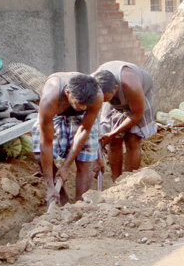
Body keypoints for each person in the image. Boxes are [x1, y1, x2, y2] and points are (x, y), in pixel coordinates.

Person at [32, 73, 103, 205]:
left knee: (85, 158)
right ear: (68, 92)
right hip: (56, 114)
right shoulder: (49, 100)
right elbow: (46, 143)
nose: (83, 107)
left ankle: (79, 204)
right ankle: (61, 198)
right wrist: (49, 187)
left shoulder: (96, 96)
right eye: (80, 103)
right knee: (38, 154)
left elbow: (84, 130)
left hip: (83, 120)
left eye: (87, 105)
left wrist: (66, 166)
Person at [93, 61, 157, 180]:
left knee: (132, 140)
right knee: (113, 142)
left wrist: (113, 133)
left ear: (115, 89)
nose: (103, 101)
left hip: (139, 96)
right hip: (113, 93)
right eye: (101, 99)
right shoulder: (91, 84)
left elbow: (136, 115)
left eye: (106, 98)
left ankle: (128, 181)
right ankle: (115, 181)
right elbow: (89, 119)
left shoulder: (131, 86)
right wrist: (97, 154)